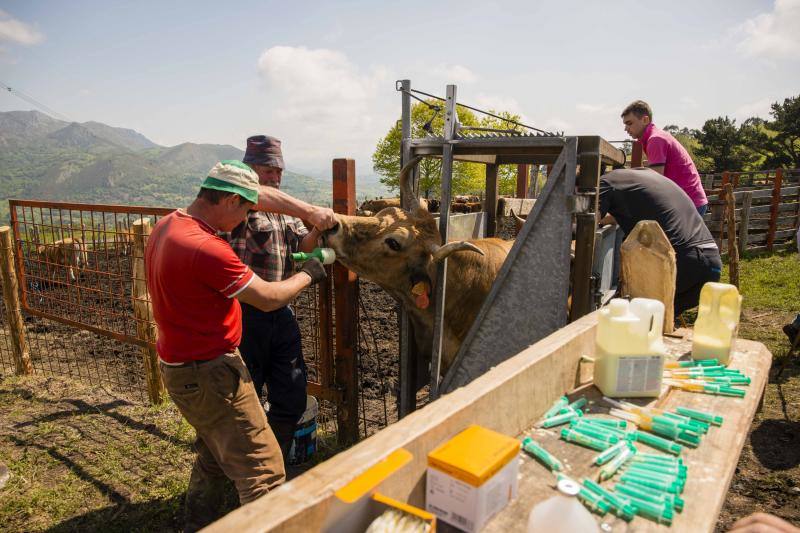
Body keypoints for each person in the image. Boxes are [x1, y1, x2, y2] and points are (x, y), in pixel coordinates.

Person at [145, 160, 335, 532]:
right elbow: (266, 297)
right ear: (231, 200)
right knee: (264, 473)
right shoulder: (205, 248)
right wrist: (307, 274)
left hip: (181, 366)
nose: (245, 219)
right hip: (212, 372)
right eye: (246, 209)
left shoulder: (169, 225)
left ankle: (197, 520)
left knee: (217, 453)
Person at [222, 135, 320, 464]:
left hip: (281, 311)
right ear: (250, 169)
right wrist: (307, 209)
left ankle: (273, 460)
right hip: (245, 315)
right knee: (243, 396)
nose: (274, 177)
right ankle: (241, 467)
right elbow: (255, 197)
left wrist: (318, 230)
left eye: (278, 171)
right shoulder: (237, 201)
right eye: (267, 170)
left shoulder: (282, 212)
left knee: (292, 391)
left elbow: (300, 245)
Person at [599, 167, 722, 316]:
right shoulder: (642, 176)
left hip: (681, 263)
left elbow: (585, 222)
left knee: (636, 323)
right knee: (654, 325)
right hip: (711, 264)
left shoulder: (604, 183)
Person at [621, 100, 709, 215]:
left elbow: (655, 182)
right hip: (689, 200)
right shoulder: (654, 137)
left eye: (629, 123)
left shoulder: (655, 139)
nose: (626, 129)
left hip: (687, 204)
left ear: (645, 120)